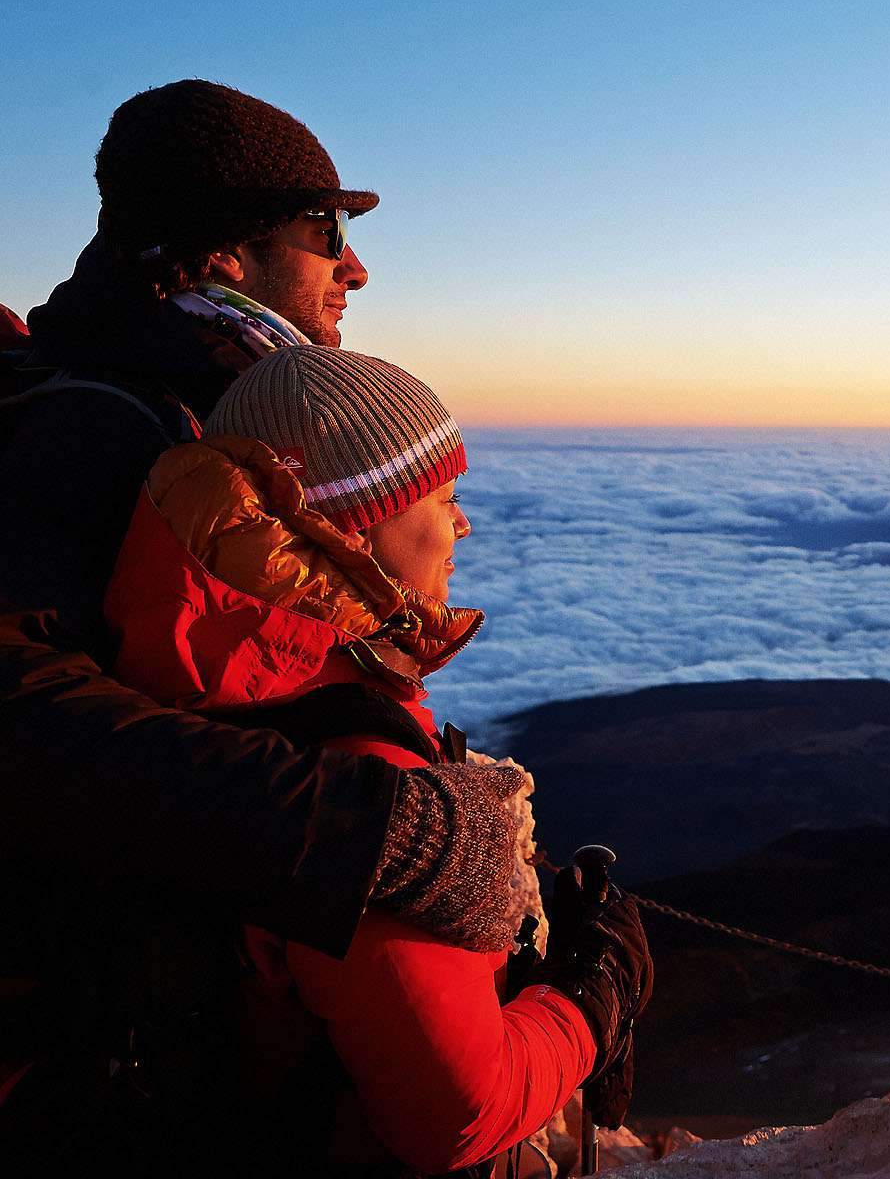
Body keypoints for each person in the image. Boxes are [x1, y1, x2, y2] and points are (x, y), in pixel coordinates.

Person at [0, 82, 534, 1158]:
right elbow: (17, 710)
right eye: (325, 227)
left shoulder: (197, 408)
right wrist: (367, 827)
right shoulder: (83, 434)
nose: (356, 264)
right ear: (223, 256)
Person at [93, 344, 650, 1175]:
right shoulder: (356, 773)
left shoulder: (192, 696)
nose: (463, 524)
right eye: (446, 497)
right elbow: (457, 1114)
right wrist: (591, 1001)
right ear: (349, 524)